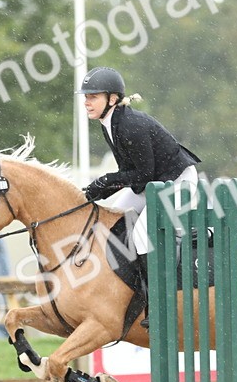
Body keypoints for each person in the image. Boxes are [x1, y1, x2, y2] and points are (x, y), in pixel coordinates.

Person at [78, 66, 200, 327]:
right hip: (154, 183)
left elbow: (142, 174)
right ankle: (129, 287)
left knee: (142, 234)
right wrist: (96, 190)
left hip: (177, 182)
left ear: (112, 99)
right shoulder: (109, 123)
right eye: (85, 96)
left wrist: (106, 181)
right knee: (111, 220)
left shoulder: (130, 125)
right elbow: (131, 174)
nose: (87, 101)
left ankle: (157, 301)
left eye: (93, 96)